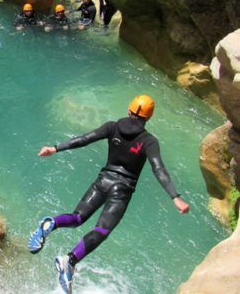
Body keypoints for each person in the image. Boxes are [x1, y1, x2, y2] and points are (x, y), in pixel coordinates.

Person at [28, 95, 190, 294]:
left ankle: (50, 224)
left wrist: (55, 148)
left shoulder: (111, 127)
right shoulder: (149, 141)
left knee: (77, 217)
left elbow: (84, 139)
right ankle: (68, 261)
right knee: (102, 230)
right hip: (121, 190)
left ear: (129, 110)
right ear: (148, 117)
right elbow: (159, 169)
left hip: (102, 181)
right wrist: (175, 196)